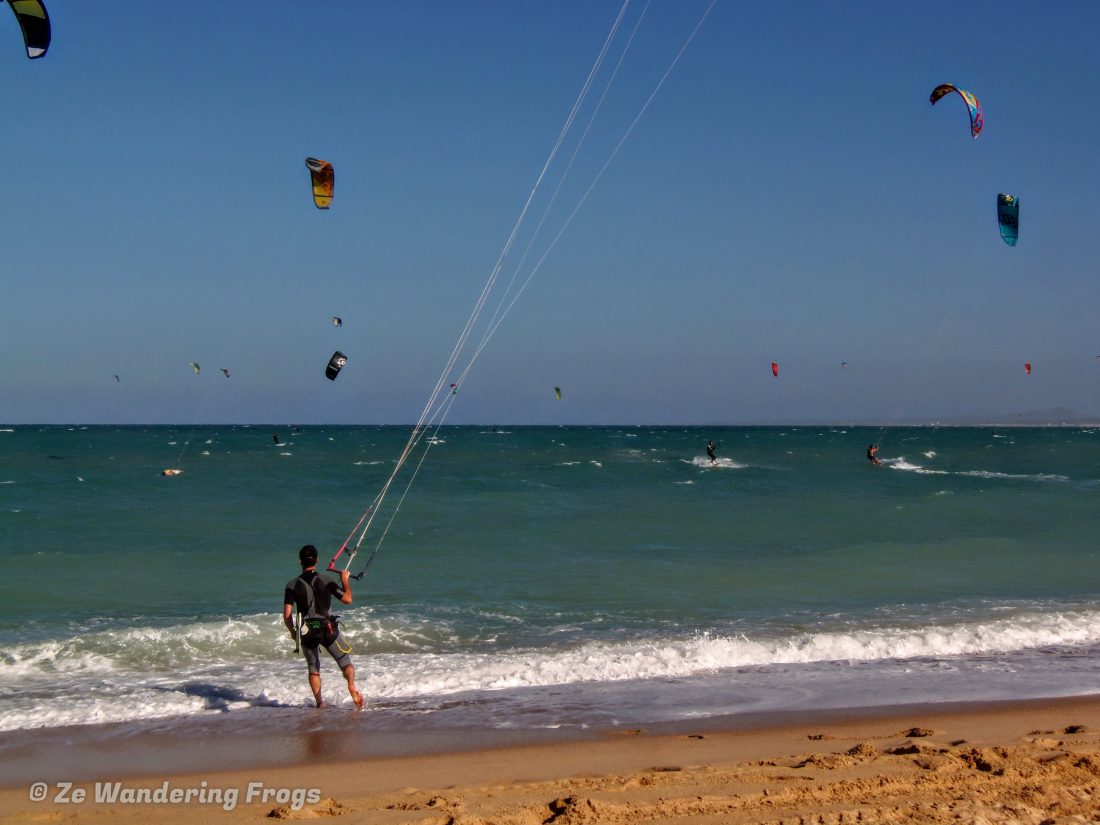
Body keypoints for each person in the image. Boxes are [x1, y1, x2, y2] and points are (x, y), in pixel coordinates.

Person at [282, 544, 363, 709]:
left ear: (300, 562)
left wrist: (292, 632)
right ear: (317, 561)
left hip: (307, 632)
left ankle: (320, 702)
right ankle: (351, 686)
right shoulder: (327, 580)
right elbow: (347, 599)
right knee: (345, 662)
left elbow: (287, 615)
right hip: (328, 630)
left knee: (313, 669)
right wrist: (345, 580)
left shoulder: (291, 585)